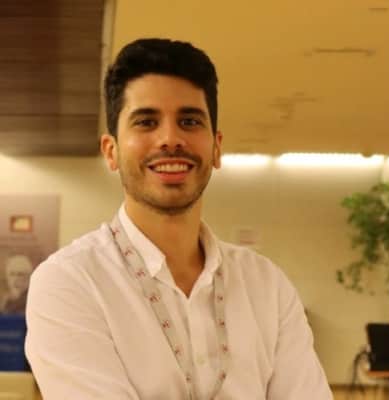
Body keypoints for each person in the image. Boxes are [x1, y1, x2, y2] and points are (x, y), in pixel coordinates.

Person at [25, 38, 333, 399]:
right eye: (146, 122)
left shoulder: (266, 286)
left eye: (189, 121)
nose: (170, 139)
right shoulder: (70, 282)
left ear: (216, 147)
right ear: (111, 151)